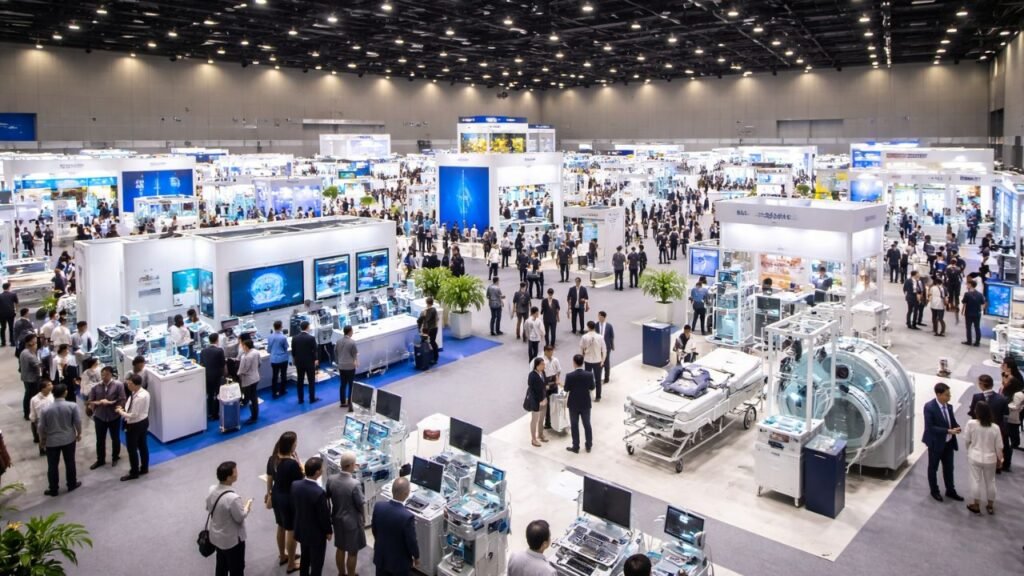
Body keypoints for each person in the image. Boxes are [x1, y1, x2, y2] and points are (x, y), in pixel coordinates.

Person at [207, 461, 252, 576]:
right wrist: (247, 507)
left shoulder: (212, 489)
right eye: (235, 472)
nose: (237, 473)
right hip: (232, 541)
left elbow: (208, 507)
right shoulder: (233, 498)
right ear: (228, 477)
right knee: (236, 568)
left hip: (216, 537)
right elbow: (240, 517)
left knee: (221, 565)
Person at [266, 431, 302, 571]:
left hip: (276, 496)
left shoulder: (272, 459)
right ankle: (292, 563)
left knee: (280, 526)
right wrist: (298, 463)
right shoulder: (291, 465)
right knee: (291, 530)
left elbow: (269, 479)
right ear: (291, 446)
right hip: (288, 500)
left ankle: (283, 555)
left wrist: (269, 494)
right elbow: (301, 481)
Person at [325, 451, 366, 576]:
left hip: (337, 519)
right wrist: (363, 519)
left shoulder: (331, 480)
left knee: (340, 547)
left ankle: (341, 573)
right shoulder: (354, 484)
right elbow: (360, 504)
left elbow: (327, 497)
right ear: (350, 465)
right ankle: (351, 574)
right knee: (352, 552)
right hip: (352, 523)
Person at [38, 383, 82, 496]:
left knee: (52, 465)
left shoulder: (45, 409)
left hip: (51, 442)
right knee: (70, 462)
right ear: (65, 392)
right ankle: (71, 484)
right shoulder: (72, 406)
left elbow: (41, 427)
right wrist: (79, 433)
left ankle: (53, 489)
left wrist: (42, 441)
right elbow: (77, 421)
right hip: (68, 439)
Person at [922, 382, 963, 502]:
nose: (949, 397)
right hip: (935, 443)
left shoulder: (949, 406)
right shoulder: (929, 407)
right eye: (947, 395)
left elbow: (952, 421)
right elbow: (930, 427)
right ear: (939, 395)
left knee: (949, 468)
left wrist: (957, 427)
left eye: (949, 394)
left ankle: (950, 490)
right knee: (933, 468)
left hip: (948, 443)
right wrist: (948, 431)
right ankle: (934, 491)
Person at [291, 457, 332, 576]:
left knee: (305, 557)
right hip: (316, 534)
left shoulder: (295, 485)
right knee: (317, 563)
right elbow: (323, 516)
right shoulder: (318, 493)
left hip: (301, 528)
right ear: (317, 472)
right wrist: (328, 531)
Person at [371, 478, 420, 576]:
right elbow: (411, 542)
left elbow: (374, 529)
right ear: (407, 493)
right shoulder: (407, 517)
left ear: (392, 490)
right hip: (399, 564)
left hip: (381, 556)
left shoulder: (378, 506)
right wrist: (416, 557)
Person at [963, 402, 1004, 515]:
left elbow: (967, 440)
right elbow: (999, 447)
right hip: (990, 459)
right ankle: (990, 505)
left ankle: (976, 504)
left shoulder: (971, 424)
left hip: (974, 456)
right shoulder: (995, 427)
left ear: (977, 412)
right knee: (991, 481)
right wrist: (1000, 459)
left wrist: (969, 450)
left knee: (975, 480)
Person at [85, 366, 125, 470]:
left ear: (111, 374)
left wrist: (111, 403)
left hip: (114, 416)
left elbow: (122, 399)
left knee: (115, 438)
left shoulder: (118, 385)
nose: (104, 376)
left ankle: (115, 456)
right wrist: (99, 402)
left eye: (106, 374)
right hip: (100, 417)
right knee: (100, 439)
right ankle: (100, 460)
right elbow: (90, 401)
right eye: (102, 374)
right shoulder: (95, 387)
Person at [117, 374, 150, 481]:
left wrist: (121, 412)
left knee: (132, 449)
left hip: (135, 424)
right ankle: (144, 468)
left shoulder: (140, 397)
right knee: (142, 446)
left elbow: (134, 414)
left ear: (136, 385)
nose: (128, 385)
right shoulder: (140, 392)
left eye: (130, 383)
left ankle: (134, 472)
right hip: (142, 421)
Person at [564, 354, 595, 454]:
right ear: (583, 362)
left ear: (574, 362)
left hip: (573, 404)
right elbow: (592, 387)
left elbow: (566, 389)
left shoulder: (569, 376)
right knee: (587, 424)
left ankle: (576, 446)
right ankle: (589, 445)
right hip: (585, 403)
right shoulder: (589, 375)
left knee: (574, 425)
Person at [291, 321, 319, 404]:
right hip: (309, 362)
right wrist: (315, 359)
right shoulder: (311, 338)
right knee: (311, 380)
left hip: (299, 362)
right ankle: (312, 398)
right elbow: (315, 350)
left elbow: (293, 352)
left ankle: (300, 399)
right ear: (307, 327)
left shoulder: (294, 338)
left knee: (300, 381)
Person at [201, 333, 227, 420]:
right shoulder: (219, 351)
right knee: (217, 394)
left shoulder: (203, 351)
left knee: (210, 394)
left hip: (207, 376)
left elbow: (202, 363)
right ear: (217, 340)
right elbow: (223, 364)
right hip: (217, 376)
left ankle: (209, 412)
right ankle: (215, 414)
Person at [580, 321, 607, 402]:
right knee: (598, 379)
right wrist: (603, 360)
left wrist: (582, 358)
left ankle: (587, 395)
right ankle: (598, 396)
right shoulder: (600, 337)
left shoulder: (584, 337)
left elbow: (581, 348)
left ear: (588, 327)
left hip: (588, 360)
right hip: (597, 360)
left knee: (587, 379)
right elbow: (604, 350)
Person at [20, 333, 42, 420]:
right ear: (30, 343)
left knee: (28, 395)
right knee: (31, 396)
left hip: (26, 377)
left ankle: (27, 412)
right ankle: (28, 413)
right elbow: (37, 365)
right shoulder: (29, 354)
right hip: (31, 379)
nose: (36, 343)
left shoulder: (24, 352)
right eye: (35, 341)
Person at [335, 325, 358, 409]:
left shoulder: (338, 341)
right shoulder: (352, 342)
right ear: (350, 332)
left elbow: (335, 352)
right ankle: (350, 402)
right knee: (351, 385)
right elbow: (354, 354)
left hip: (341, 366)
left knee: (343, 384)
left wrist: (338, 362)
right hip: (350, 367)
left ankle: (342, 402)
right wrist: (356, 362)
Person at [267, 320, 290, 399]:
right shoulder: (283, 337)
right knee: (283, 375)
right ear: (280, 327)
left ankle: (274, 392)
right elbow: (286, 347)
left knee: (275, 376)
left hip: (274, 359)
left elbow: (269, 349)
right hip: (283, 359)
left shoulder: (270, 336)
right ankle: (282, 390)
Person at [962, 279, 985, 346]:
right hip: (977, 313)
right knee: (977, 327)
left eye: (967, 284)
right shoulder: (980, 294)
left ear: (970, 285)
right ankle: (977, 342)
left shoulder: (967, 294)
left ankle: (969, 341)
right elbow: (983, 303)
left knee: (968, 327)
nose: (966, 286)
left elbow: (963, 302)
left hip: (969, 313)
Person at [417, 297, 440, 363]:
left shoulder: (424, 311)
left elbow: (419, 321)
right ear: (432, 303)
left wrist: (419, 329)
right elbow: (437, 319)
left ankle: (424, 357)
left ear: (426, 303)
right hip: (434, 328)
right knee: (433, 342)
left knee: (424, 342)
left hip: (426, 329)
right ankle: (435, 358)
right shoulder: (434, 310)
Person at [597, 311, 615, 384]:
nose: (598, 317)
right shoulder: (596, 325)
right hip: (598, 347)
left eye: (600, 316)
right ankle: (598, 377)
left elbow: (612, 336)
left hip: (607, 347)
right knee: (599, 363)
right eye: (598, 316)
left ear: (603, 317)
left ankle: (606, 378)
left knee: (606, 363)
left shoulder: (609, 326)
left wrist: (612, 345)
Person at [0, 282, 18, 347]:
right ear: (9, 287)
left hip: (1, 314)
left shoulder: (0, 295)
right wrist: (16, 311)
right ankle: (12, 342)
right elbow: (16, 303)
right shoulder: (13, 294)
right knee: (11, 328)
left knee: (3, 328)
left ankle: (3, 342)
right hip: (11, 313)